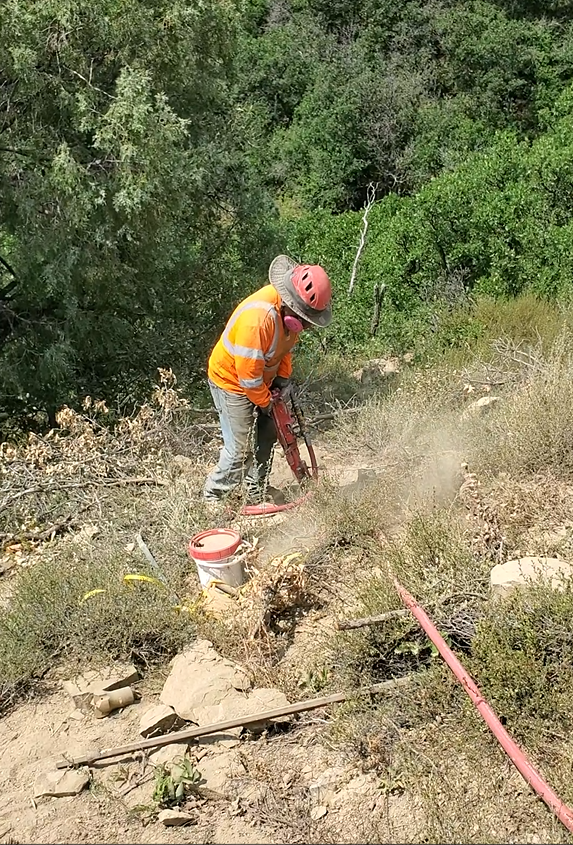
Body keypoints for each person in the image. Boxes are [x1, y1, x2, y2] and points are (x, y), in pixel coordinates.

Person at [203, 254, 332, 506]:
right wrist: (266, 402)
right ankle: (213, 498)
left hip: (260, 378)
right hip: (232, 382)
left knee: (270, 432)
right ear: (290, 305)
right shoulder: (258, 321)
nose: (305, 327)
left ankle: (255, 490)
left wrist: (282, 381)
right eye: (304, 320)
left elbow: (284, 349)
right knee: (239, 450)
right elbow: (248, 378)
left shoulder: (289, 319)